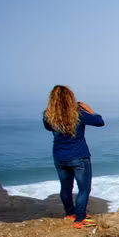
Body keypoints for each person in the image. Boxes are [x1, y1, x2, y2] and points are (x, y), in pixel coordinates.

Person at [42, 85, 105, 228]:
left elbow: (48, 128)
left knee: (66, 188)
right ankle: (80, 219)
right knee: (83, 188)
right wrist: (90, 111)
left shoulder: (48, 115)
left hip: (59, 157)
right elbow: (99, 122)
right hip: (79, 156)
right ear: (71, 98)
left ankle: (70, 214)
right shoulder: (78, 113)